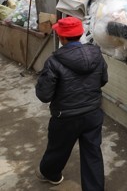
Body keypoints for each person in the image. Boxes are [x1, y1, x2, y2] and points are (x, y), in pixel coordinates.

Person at [35, 16, 108, 191]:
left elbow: (44, 95)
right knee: (93, 154)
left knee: (58, 149)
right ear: (81, 33)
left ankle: (50, 174)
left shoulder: (53, 62)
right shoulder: (97, 56)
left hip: (65, 117)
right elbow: (103, 80)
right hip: (92, 114)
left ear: (62, 38)